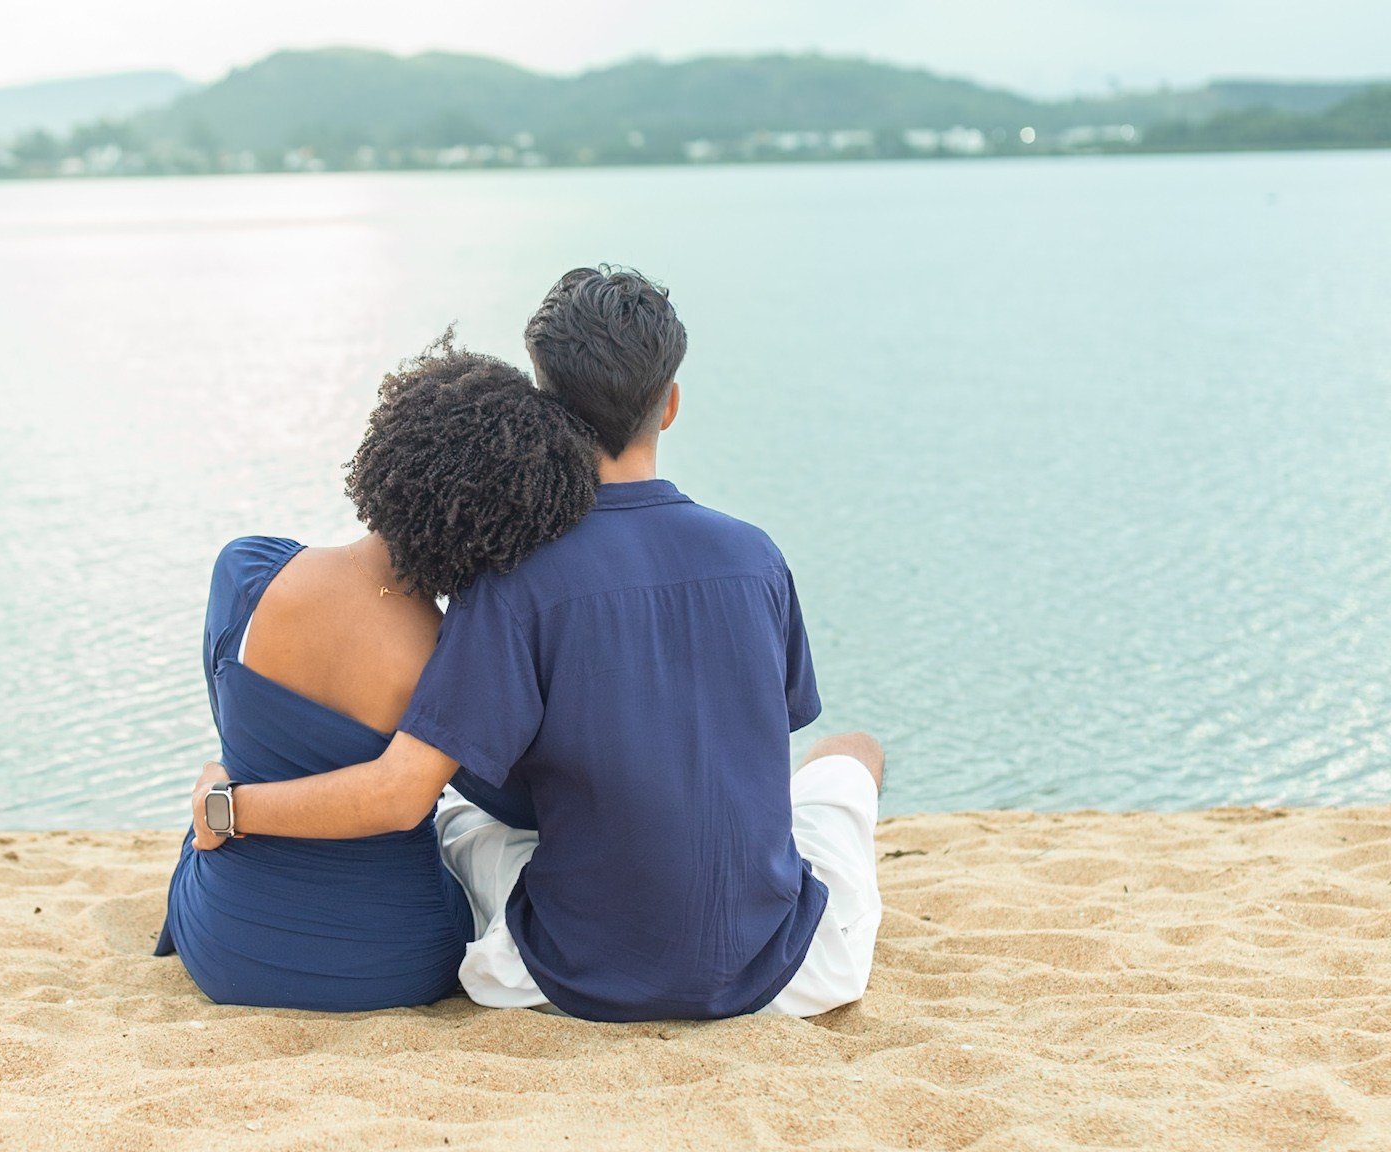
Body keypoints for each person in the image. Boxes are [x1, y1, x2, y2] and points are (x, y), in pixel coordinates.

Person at [188, 267, 886, 1023]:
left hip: (575, 972)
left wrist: (231, 805)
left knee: (457, 822)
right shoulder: (758, 557)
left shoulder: (515, 582)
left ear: (546, 409)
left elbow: (417, 790)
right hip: (786, 967)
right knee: (849, 755)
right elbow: (767, 726)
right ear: (672, 403)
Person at [158, 339, 599, 1011]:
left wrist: (223, 795)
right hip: (395, 961)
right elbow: (517, 806)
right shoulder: (457, 660)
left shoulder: (245, 572)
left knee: (212, 797)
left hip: (229, 947)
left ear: (390, 451)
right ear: (512, 530)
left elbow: (234, 728)